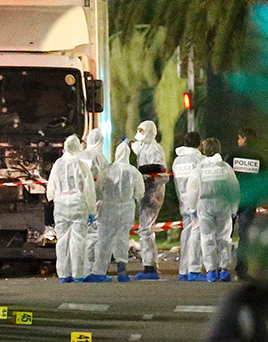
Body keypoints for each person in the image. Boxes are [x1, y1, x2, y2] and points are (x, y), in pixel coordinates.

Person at [85, 140, 144, 282]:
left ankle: (99, 272)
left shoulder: (107, 169)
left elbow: (98, 189)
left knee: (103, 240)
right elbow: (139, 193)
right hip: (126, 209)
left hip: (108, 208)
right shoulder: (134, 172)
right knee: (122, 239)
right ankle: (122, 270)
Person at [46, 135, 97, 283]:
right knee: (78, 240)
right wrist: (91, 210)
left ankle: (63, 274)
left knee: (62, 240)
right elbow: (88, 189)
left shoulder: (58, 164)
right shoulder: (81, 164)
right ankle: (77, 274)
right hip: (77, 204)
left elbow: (51, 187)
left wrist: (53, 198)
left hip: (61, 203)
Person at [188, 138, 239, 282]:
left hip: (205, 205)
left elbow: (193, 190)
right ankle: (224, 269)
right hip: (223, 204)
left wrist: (192, 208)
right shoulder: (225, 168)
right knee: (224, 238)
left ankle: (211, 270)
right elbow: (234, 189)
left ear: (204, 151)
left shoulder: (199, 169)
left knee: (207, 238)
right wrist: (234, 208)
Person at [131, 120, 169, 280]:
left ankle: (150, 267)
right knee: (146, 228)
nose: (139, 133)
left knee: (145, 229)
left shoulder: (154, 149)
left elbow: (159, 168)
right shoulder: (143, 146)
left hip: (153, 193)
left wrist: (140, 171)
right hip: (145, 192)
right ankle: (151, 264)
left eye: (142, 130)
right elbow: (135, 146)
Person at [224, 128, 263, 280]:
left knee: (225, 234)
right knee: (244, 235)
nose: (238, 141)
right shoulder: (260, 157)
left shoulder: (233, 155)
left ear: (244, 138)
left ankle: (223, 268)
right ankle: (242, 270)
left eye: (239, 138)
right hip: (250, 198)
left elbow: (225, 174)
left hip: (233, 198)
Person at [173, 131, 204, 281]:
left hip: (183, 200)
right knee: (196, 235)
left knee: (186, 233)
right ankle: (194, 269)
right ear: (199, 143)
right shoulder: (199, 160)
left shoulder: (177, 161)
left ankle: (183, 270)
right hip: (197, 201)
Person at [79, 128, 110, 278]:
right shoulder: (100, 158)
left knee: (81, 235)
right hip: (96, 201)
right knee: (95, 236)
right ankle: (93, 271)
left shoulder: (81, 156)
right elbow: (104, 181)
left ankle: (80, 269)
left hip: (79, 201)